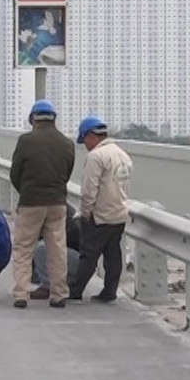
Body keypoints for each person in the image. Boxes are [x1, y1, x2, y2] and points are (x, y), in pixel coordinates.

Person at [8, 100, 76, 308]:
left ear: (33, 119)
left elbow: (15, 173)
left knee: (23, 248)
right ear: (54, 119)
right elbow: (67, 173)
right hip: (57, 202)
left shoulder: (25, 141)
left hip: (30, 202)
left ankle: (21, 293)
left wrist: (26, 190)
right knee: (57, 249)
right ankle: (59, 294)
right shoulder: (67, 143)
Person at [69, 116, 134, 302]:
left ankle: (76, 290)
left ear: (91, 136)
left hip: (100, 213)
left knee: (89, 254)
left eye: (85, 140)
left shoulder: (96, 156)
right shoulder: (123, 155)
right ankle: (110, 291)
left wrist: (86, 212)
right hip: (119, 212)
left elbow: (89, 189)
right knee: (113, 254)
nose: (85, 145)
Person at [29, 204, 81, 300]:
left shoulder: (54, 212)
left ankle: (48, 286)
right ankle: (66, 283)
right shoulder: (64, 208)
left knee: (41, 248)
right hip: (80, 260)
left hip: (77, 259)